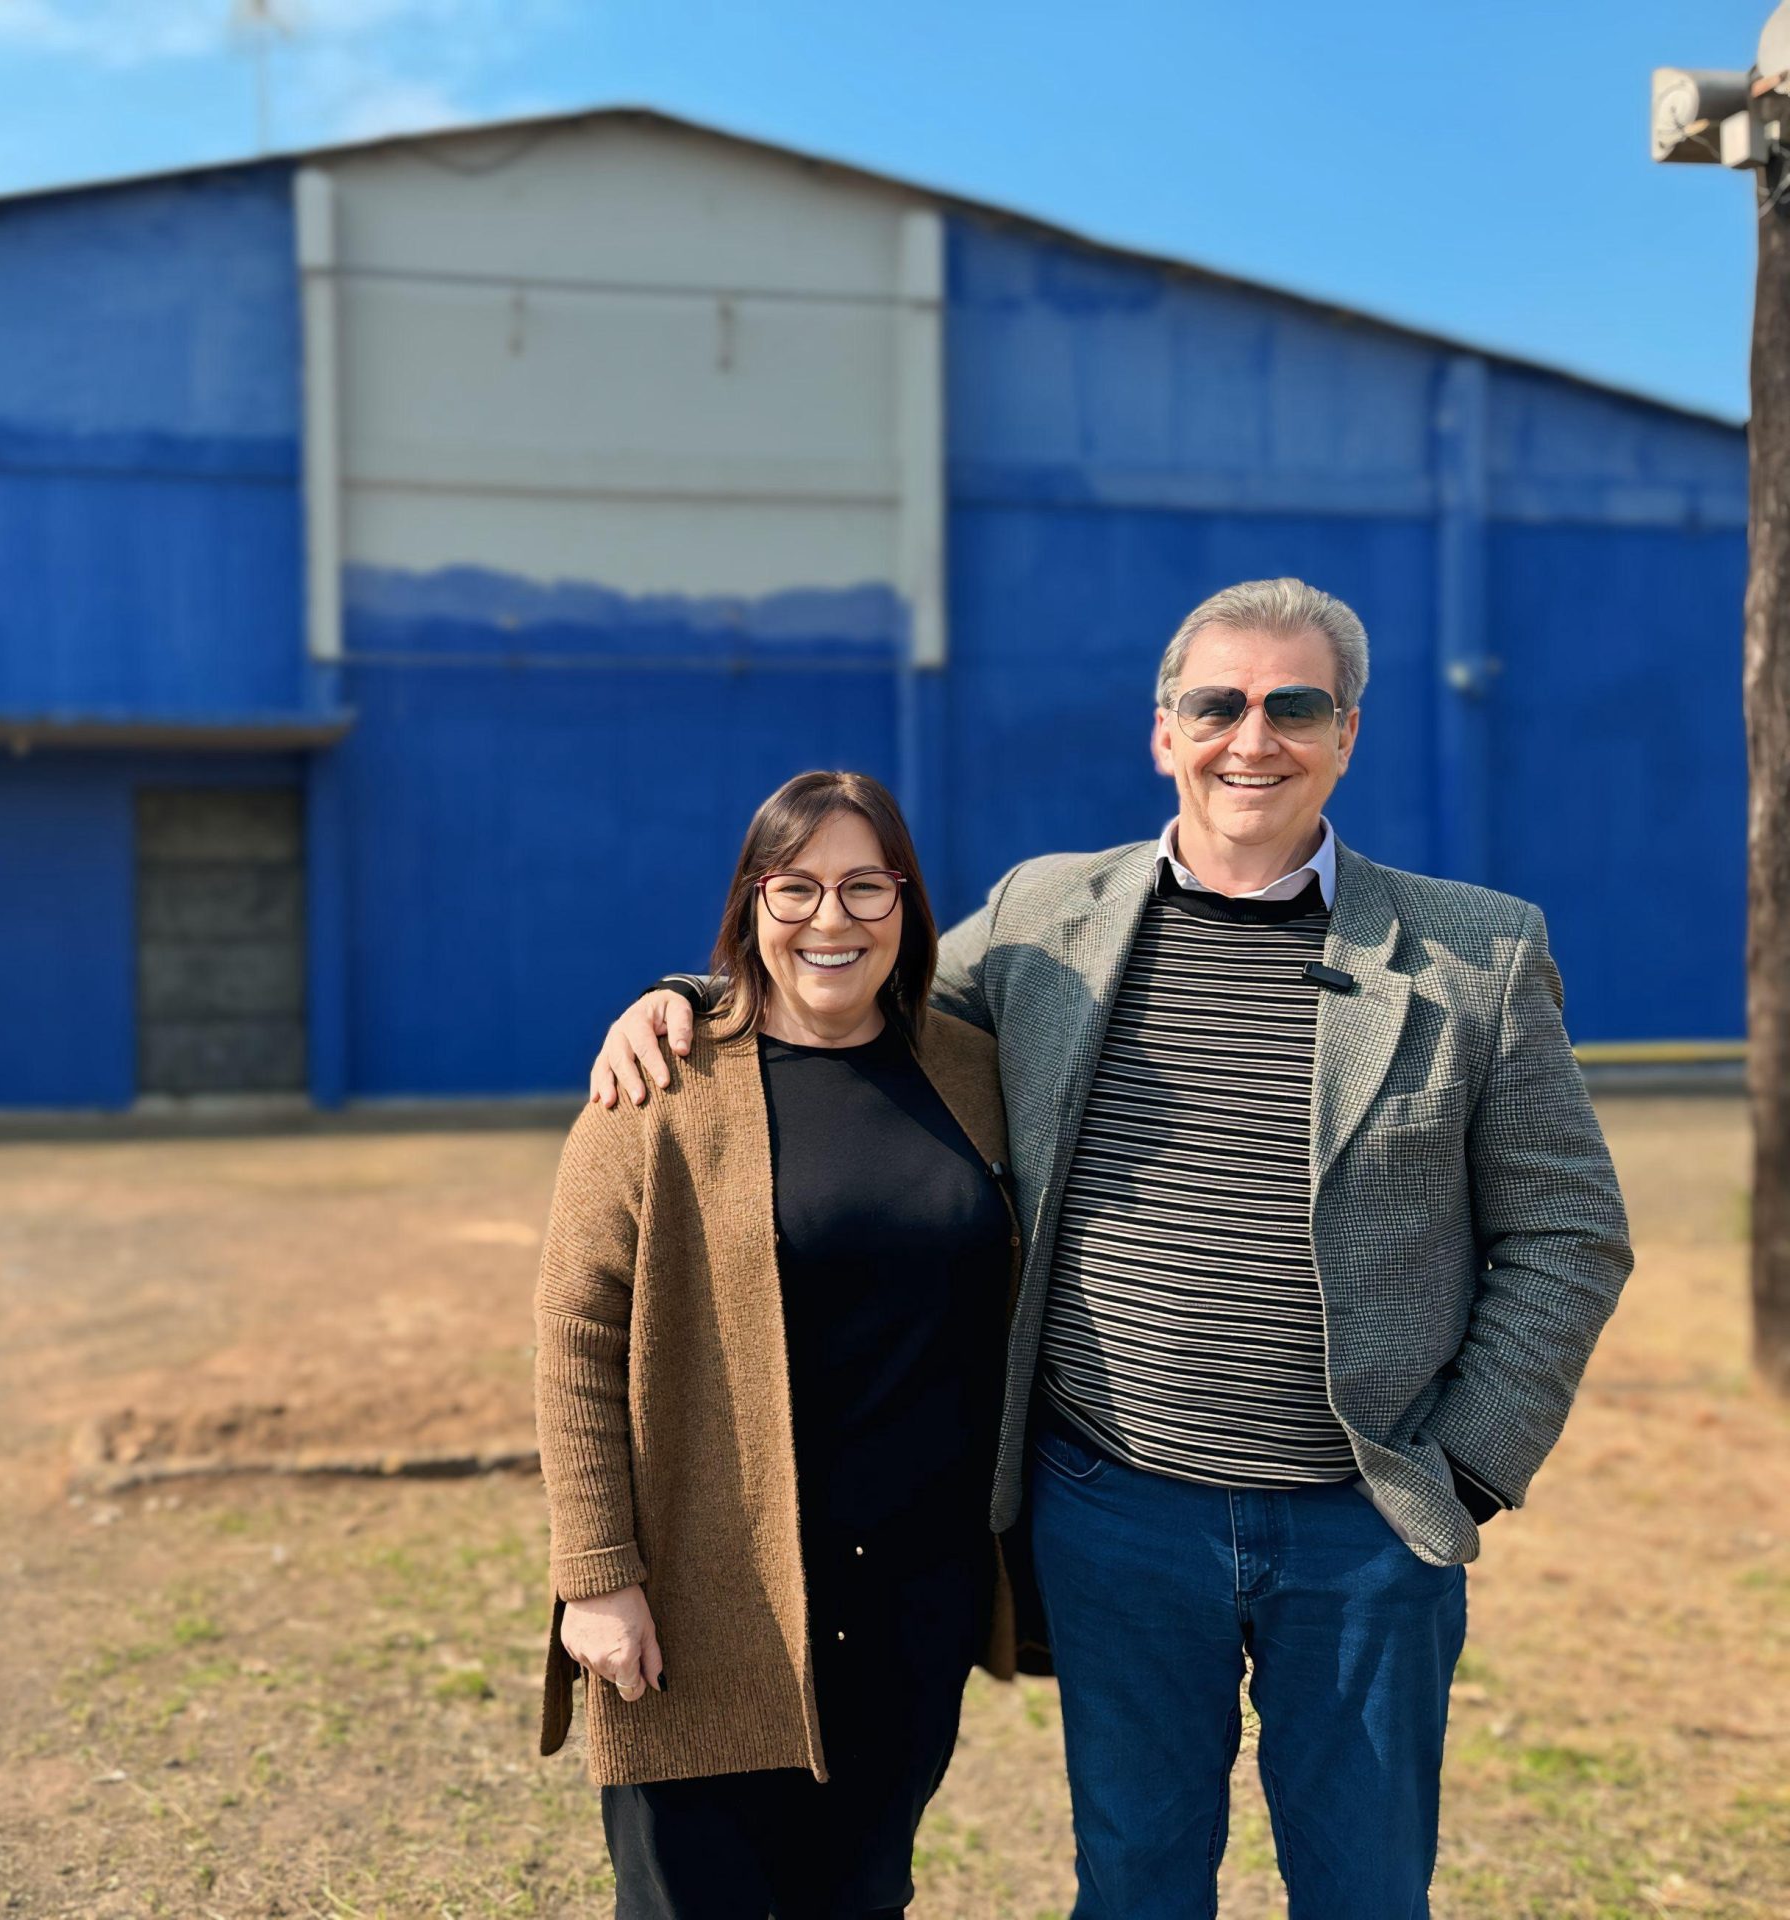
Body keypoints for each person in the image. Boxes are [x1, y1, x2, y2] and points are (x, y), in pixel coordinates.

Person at [589, 578, 1632, 1919]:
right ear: (1164, 732)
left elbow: (1570, 1230)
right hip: (1116, 1511)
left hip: (1363, 1533)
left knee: (1366, 1889)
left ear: (1347, 733)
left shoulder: (1473, 955)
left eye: (1293, 705)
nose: (1251, 739)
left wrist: (1471, 1464)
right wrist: (690, 996)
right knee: (1135, 1886)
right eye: (1218, 704)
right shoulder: (1044, 921)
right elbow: (851, 987)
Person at [534, 769, 1042, 1920]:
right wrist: (596, 1578)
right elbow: (574, 1342)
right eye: (796, 886)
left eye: (867, 885)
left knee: (861, 1893)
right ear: (749, 905)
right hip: (708, 1591)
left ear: (908, 905)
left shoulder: (970, 1071)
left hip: (915, 1590)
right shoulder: (662, 1081)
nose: (831, 919)